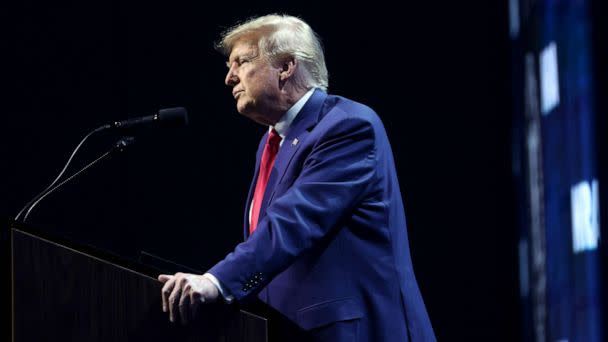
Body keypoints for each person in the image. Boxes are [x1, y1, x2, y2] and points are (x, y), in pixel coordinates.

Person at [158, 14, 435, 341]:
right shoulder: (270, 142)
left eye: (241, 62)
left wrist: (217, 281)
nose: (229, 78)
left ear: (286, 66)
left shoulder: (348, 126)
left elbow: (293, 221)